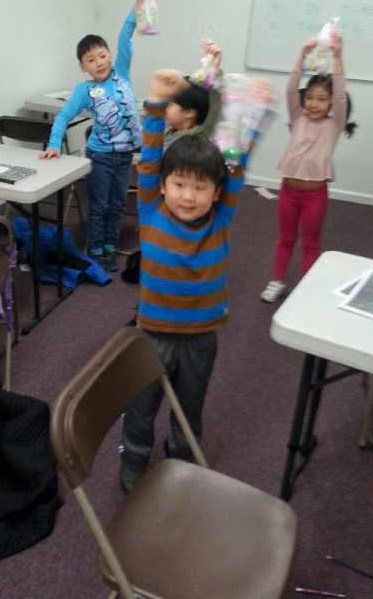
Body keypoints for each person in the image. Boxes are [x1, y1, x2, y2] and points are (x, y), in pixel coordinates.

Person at [119, 68, 248, 492]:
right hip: (152, 333)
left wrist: (242, 118)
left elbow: (235, 165)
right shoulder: (151, 209)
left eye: (200, 188)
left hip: (200, 338)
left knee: (189, 407)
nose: (188, 196)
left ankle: (182, 461)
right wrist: (157, 100)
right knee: (140, 406)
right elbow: (150, 155)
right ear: (163, 185)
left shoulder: (220, 219)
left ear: (217, 192)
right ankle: (133, 459)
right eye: (178, 184)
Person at [39, 0, 151, 272]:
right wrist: (54, 144)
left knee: (117, 204)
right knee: (99, 205)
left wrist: (137, 6)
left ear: (110, 56)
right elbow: (63, 116)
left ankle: (109, 247)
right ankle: (96, 249)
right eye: (91, 60)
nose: (99, 62)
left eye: (102, 56)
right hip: (100, 156)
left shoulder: (121, 73)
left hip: (124, 155)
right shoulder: (84, 90)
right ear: (82, 66)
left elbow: (125, 36)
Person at [261, 34, 357, 303]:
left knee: (310, 242)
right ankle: (277, 280)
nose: (314, 104)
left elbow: (340, 96)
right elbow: (291, 89)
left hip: (314, 196)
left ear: (332, 103)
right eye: (310, 98)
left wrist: (337, 56)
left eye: (322, 99)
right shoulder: (298, 117)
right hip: (288, 192)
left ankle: (305, 287)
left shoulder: (333, 125)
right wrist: (303, 56)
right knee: (285, 237)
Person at [163, 42, 222, 150]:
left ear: (189, 112)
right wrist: (208, 63)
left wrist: (215, 70)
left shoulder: (198, 138)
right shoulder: (171, 131)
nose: (166, 107)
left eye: (171, 104)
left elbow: (215, 105)